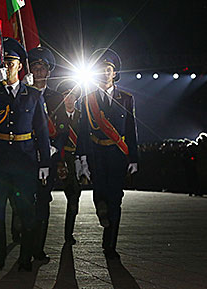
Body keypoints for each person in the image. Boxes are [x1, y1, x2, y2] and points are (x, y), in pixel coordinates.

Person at [0, 37, 51, 272]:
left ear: (20, 66)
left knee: (27, 212)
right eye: (3, 63)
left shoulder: (33, 95)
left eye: (11, 63)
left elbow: (41, 131)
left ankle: (25, 258)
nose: (6, 67)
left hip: (25, 161)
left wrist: (44, 163)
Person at [76, 48, 139, 260]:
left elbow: (131, 130)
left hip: (118, 154)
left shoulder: (127, 98)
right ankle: (101, 211)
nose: (105, 73)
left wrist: (134, 158)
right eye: (101, 70)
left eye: (108, 69)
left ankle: (110, 244)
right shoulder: (87, 99)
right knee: (100, 193)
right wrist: (82, 158)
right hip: (96, 154)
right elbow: (83, 130)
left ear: (114, 73)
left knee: (116, 199)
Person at [28, 46, 68, 263]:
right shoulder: (23, 93)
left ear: (49, 72)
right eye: (34, 66)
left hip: (48, 157)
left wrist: (54, 148)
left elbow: (63, 128)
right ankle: (25, 240)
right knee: (25, 201)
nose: (38, 71)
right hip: (25, 155)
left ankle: (38, 248)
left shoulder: (56, 97)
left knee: (43, 202)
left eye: (42, 67)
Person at [55, 79, 83, 246]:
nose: (70, 99)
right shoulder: (55, 115)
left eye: (72, 96)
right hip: (58, 158)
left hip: (75, 160)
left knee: (74, 196)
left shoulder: (81, 116)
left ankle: (68, 233)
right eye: (66, 96)